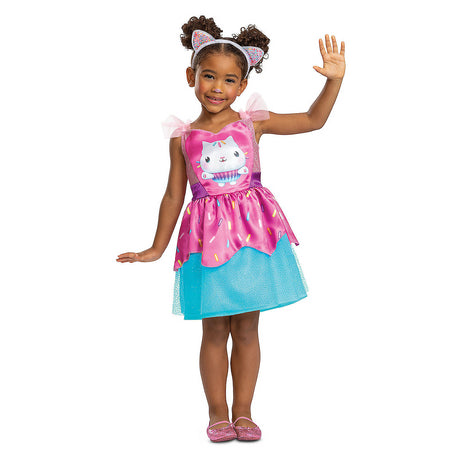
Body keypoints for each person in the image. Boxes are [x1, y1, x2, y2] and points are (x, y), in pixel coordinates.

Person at [116, 15, 345, 442]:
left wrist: (334, 81)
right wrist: (155, 248)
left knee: (246, 327)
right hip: (207, 242)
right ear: (191, 77)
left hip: (252, 238)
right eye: (208, 76)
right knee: (214, 328)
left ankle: (244, 411)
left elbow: (313, 120)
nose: (217, 87)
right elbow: (174, 195)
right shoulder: (182, 137)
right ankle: (217, 413)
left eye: (229, 79)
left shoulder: (252, 123)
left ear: (242, 85)